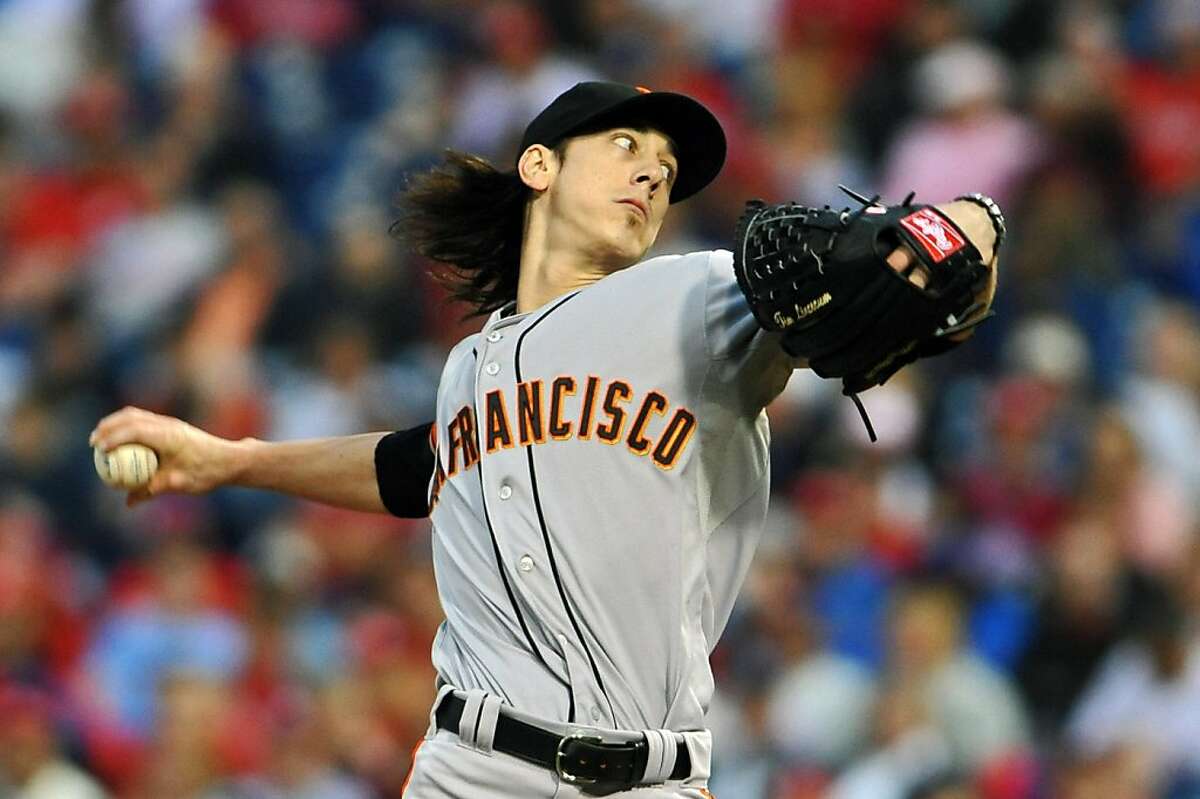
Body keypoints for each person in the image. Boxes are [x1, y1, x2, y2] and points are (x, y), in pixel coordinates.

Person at [90, 82, 1000, 798]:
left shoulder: (702, 298)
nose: (653, 172)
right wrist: (231, 460)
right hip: (469, 768)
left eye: (667, 166)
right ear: (539, 166)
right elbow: (416, 464)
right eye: (626, 145)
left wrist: (974, 230)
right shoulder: (466, 370)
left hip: (650, 777)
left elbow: (887, 269)